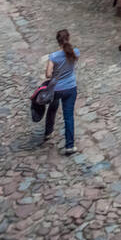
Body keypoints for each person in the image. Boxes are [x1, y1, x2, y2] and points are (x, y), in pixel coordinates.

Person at [43, 28, 80, 156]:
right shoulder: (75, 52)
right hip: (71, 88)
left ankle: (48, 132)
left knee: (52, 108)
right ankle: (69, 145)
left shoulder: (53, 57)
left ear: (57, 41)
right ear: (68, 38)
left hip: (57, 89)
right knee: (68, 116)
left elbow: (48, 74)